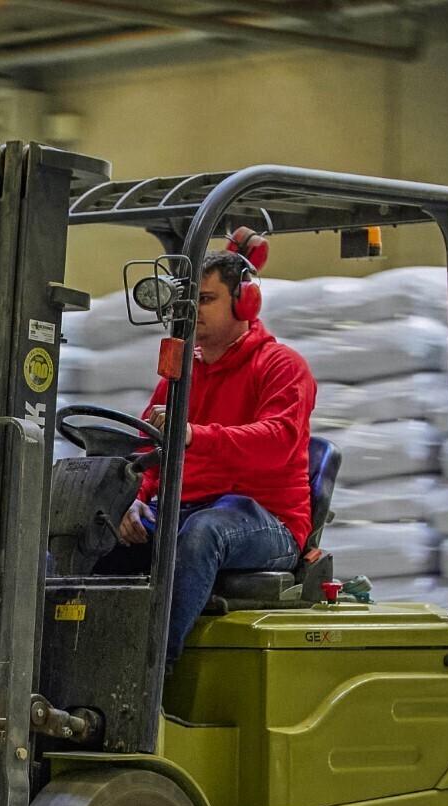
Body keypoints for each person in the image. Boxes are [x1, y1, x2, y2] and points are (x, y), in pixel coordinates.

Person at [101, 248, 317, 671]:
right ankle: (81, 662)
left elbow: (278, 442)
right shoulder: (182, 371)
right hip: (183, 507)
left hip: (266, 519)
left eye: (205, 299)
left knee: (205, 532)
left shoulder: (282, 366)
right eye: (189, 300)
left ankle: (149, 677)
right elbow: (150, 447)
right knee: (94, 530)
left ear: (245, 302)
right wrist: (132, 498)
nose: (192, 310)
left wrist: (196, 435)